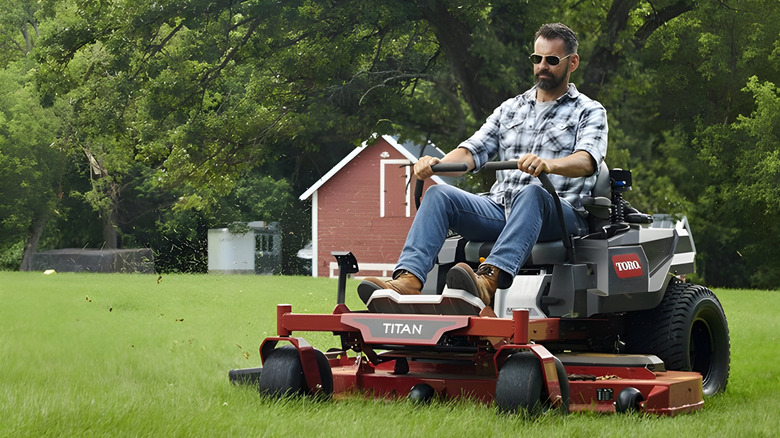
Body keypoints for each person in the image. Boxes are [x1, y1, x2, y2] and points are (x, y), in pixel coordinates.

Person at [360, 23, 608, 306]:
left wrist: (548, 165)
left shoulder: (589, 110)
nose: (542, 66)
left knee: (533, 192)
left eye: (552, 60)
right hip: (501, 209)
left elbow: (587, 160)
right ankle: (408, 280)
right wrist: (435, 164)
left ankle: (487, 281)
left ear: (572, 62)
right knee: (439, 195)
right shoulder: (510, 108)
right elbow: (471, 152)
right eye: (536, 59)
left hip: (559, 215)